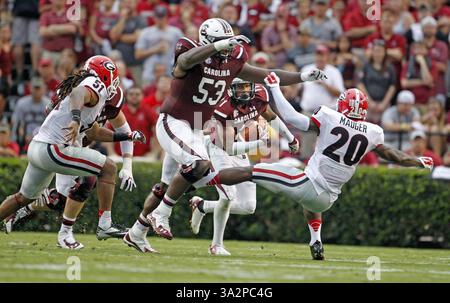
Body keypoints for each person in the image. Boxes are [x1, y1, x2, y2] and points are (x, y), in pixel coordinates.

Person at [123, 18, 327, 252]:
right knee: (198, 166)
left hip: (197, 129)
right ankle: (161, 213)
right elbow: (184, 62)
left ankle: (136, 233)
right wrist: (219, 45)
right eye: (223, 43)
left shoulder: (234, 61)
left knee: (169, 185)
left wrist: (301, 76)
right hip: (174, 122)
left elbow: (267, 74)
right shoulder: (189, 50)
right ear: (209, 41)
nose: (229, 48)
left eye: (230, 44)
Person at [192, 72, 433, 260]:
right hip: (327, 199)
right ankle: (315, 239)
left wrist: (275, 88)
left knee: (250, 172)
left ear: (343, 105)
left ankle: (198, 181)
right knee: (309, 200)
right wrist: (418, 162)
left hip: (307, 184)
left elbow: (293, 117)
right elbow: (392, 155)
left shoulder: (330, 116)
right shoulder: (373, 132)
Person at [0, 56, 140, 249]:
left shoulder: (89, 90)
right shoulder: (94, 85)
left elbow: (94, 132)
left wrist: (126, 137)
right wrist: (75, 119)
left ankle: (23, 213)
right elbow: (78, 94)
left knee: (23, 198)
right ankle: (79, 231)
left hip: (39, 147)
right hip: (56, 148)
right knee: (104, 169)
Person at [189, 78, 299, 255]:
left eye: (247, 87)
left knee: (248, 206)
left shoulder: (259, 97)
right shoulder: (224, 109)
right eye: (240, 88)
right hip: (219, 147)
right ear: (231, 91)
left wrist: (290, 137)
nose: (245, 92)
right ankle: (216, 245)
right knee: (228, 195)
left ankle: (202, 206)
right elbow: (229, 148)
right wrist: (258, 143)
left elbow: (271, 117)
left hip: (237, 143)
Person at [135, 5, 183, 86]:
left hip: (169, 73)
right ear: (154, 17)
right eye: (158, 17)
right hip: (150, 73)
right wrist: (155, 49)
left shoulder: (175, 32)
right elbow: (138, 54)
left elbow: (183, 51)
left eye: (162, 16)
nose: (160, 19)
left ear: (166, 17)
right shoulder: (146, 32)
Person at [357, 40, 396, 124]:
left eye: (380, 51)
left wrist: (384, 103)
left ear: (384, 53)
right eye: (375, 51)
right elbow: (360, 84)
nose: (378, 53)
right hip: (367, 103)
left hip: (384, 104)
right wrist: (369, 102)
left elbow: (392, 86)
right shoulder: (365, 66)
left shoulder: (389, 68)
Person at [12, 77, 50, 151]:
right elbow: (16, 122)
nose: (36, 91)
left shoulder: (48, 104)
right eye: (35, 88)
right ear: (30, 88)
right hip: (25, 136)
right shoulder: (22, 103)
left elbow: (50, 125)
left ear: (43, 89)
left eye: (38, 88)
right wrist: (17, 139)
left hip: (42, 137)